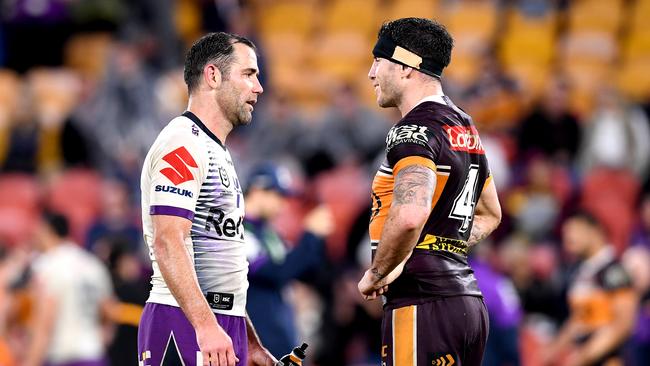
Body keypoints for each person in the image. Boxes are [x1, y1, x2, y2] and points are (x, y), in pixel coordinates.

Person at [356, 18, 502, 366]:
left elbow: (409, 214)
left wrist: (379, 271)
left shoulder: (412, 129)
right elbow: (490, 213)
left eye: (378, 60)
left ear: (407, 67)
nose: (371, 73)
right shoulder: (463, 123)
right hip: (465, 302)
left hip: (422, 301)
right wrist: (439, 248)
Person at [138, 32, 274, 366]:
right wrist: (205, 325)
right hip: (184, 323)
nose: (258, 88)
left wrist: (249, 338)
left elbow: (223, 263)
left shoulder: (213, 148)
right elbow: (169, 240)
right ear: (213, 75)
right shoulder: (183, 143)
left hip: (219, 322)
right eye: (249, 74)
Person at [243, 163, 333, 358]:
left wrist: (318, 239)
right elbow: (276, 273)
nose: (283, 205)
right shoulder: (237, 230)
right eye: (279, 196)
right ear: (258, 190)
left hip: (280, 337)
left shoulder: (271, 235)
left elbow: (306, 271)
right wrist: (310, 235)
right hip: (254, 340)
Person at [544, 212, 637, 366]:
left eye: (574, 231)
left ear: (594, 231)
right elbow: (578, 320)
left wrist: (582, 357)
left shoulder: (614, 271)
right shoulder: (579, 271)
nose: (568, 239)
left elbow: (623, 325)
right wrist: (552, 350)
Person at [26, 212, 115, 366]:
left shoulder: (47, 265)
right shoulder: (93, 265)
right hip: (94, 355)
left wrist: (31, 361)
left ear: (47, 231)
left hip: (63, 356)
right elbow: (110, 310)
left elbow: (45, 322)